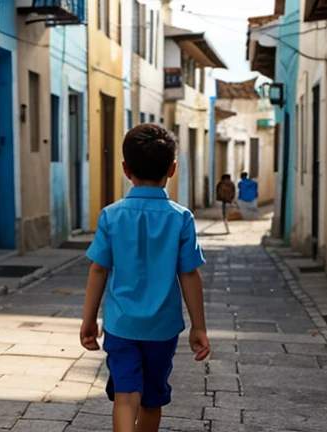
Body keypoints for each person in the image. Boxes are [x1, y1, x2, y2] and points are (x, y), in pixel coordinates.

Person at [80, 124, 211, 432]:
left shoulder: (111, 216)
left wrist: (89, 319)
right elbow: (189, 274)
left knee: (125, 396)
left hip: (121, 324)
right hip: (162, 329)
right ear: (172, 168)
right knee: (152, 401)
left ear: (126, 169)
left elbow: (98, 269)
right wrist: (199, 326)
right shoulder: (181, 218)